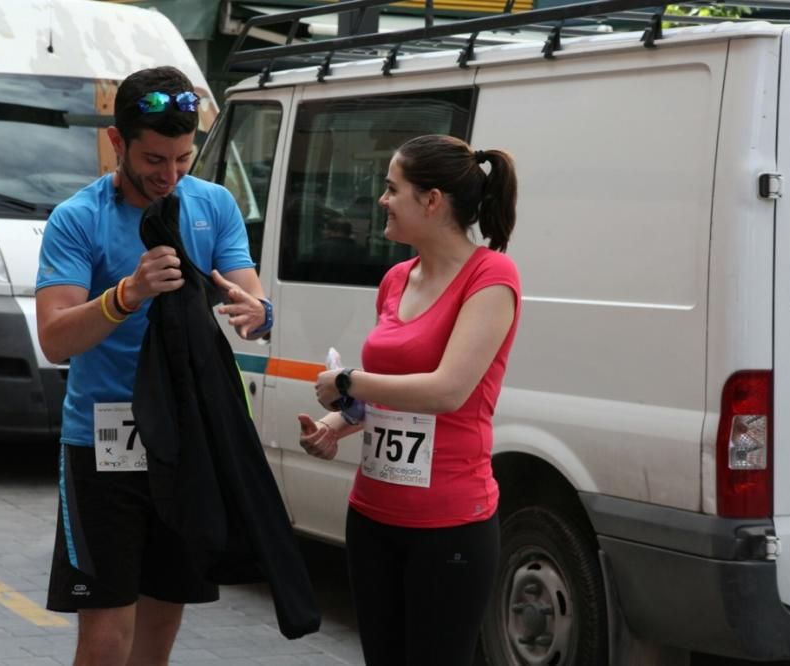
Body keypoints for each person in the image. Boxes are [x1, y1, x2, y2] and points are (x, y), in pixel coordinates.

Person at [35, 66, 270, 666]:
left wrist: (256, 310)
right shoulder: (77, 218)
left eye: (183, 159)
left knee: (157, 633)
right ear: (117, 143)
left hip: (184, 442)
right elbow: (56, 339)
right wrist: (124, 295)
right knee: (107, 636)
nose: (168, 176)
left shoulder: (213, 205)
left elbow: (250, 294)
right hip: (100, 445)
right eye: (153, 159)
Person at [298, 134, 521, 666]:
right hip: (372, 515)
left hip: (449, 525)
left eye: (391, 188)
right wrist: (337, 423)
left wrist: (348, 381)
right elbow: (389, 395)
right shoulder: (397, 278)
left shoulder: (492, 277)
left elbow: (447, 390)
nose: (381, 200)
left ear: (431, 200)